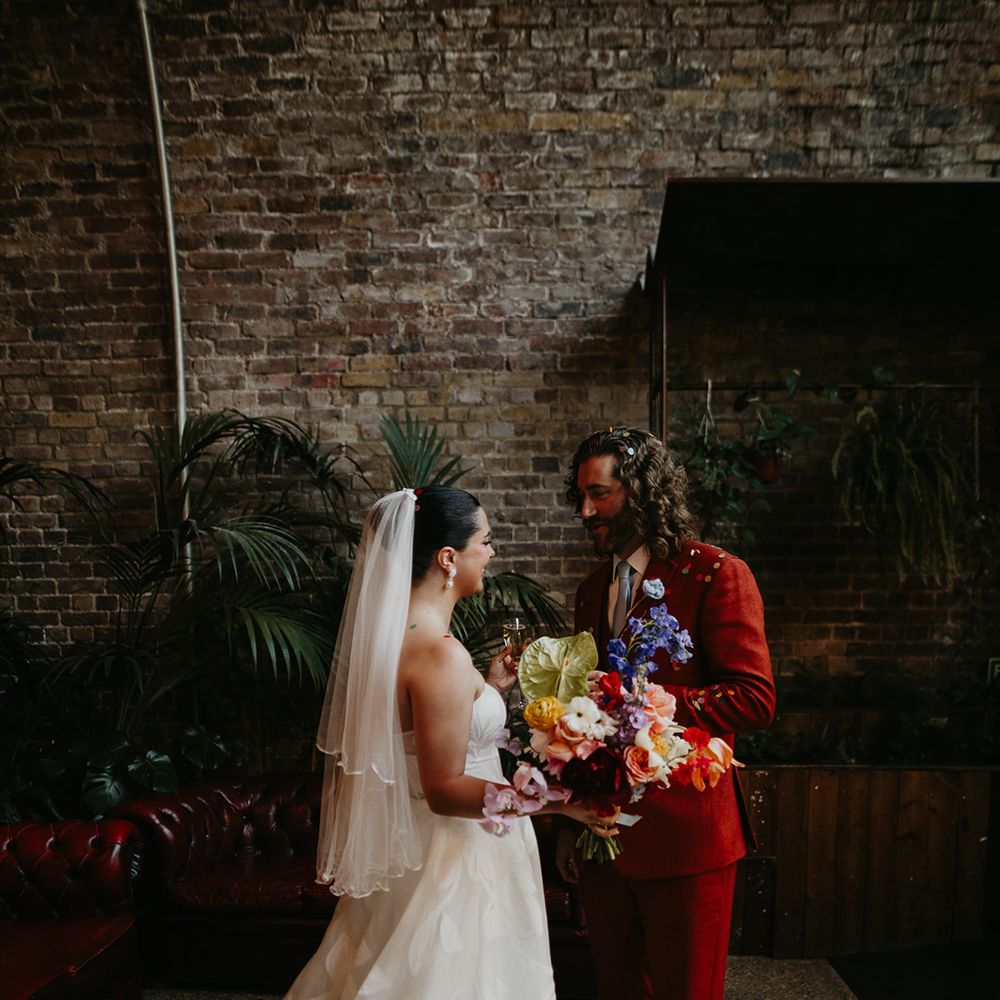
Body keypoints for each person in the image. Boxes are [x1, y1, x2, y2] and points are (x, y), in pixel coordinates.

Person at [284, 485, 610, 1000]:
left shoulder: (402, 640)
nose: (492, 552)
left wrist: (486, 688)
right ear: (448, 558)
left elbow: (421, 734)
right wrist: (562, 804)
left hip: (417, 843)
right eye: (485, 540)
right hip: (458, 855)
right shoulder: (439, 654)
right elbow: (445, 788)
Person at [556, 427, 776, 1000]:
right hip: (603, 837)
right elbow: (584, 716)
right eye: (581, 495)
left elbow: (755, 698)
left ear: (642, 490)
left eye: (599, 494)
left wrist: (648, 699)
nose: (585, 510)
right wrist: (568, 821)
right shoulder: (590, 589)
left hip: (687, 836)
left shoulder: (716, 574)